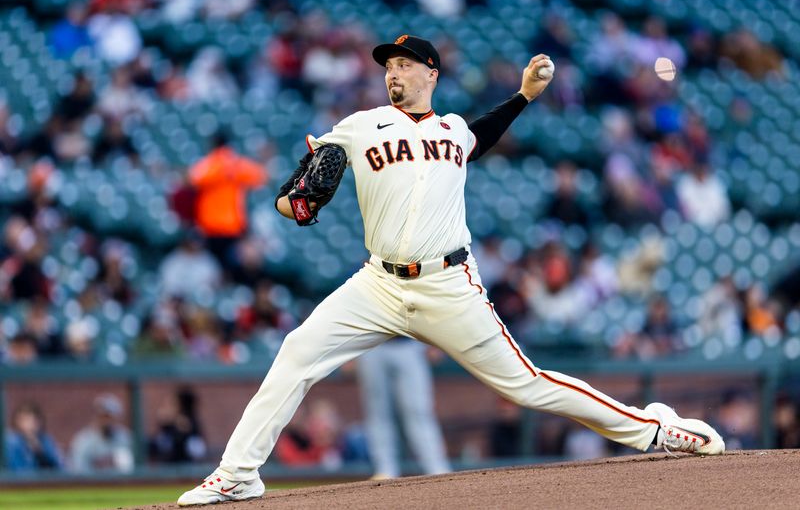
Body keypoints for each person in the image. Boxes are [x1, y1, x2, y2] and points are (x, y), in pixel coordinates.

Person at [178, 35, 725, 506]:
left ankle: (656, 430)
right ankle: (237, 476)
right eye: (387, 66)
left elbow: (483, 131)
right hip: (378, 283)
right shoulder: (358, 127)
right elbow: (291, 200)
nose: (393, 72)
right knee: (297, 352)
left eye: (403, 64)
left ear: (429, 73)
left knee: (529, 385)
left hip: (448, 283)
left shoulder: (454, 131)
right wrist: (297, 201)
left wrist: (524, 97)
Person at [356, 338, 451, 479]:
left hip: (408, 342)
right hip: (372, 343)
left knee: (418, 410)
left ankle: (436, 468)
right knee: (378, 412)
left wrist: (433, 341)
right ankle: (385, 470)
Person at [188, 132, 267, 267]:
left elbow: (194, 178)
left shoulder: (210, 163)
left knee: (217, 264)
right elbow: (260, 176)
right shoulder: (236, 163)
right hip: (232, 224)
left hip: (211, 224)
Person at [69, 393, 134, 473]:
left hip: (121, 484)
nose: (107, 421)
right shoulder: (83, 440)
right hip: (92, 484)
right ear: (97, 417)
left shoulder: (125, 437)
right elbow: (79, 470)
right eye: (104, 416)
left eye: (110, 417)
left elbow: (130, 468)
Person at [4, 402, 63, 472]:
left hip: (46, 482)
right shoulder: (11, 442)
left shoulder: (45, 440)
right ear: (17, 421)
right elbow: (19, 471)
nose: (31, 424)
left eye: (34, 420)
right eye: (26, 420)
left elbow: (60, 469)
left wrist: (40, 453)